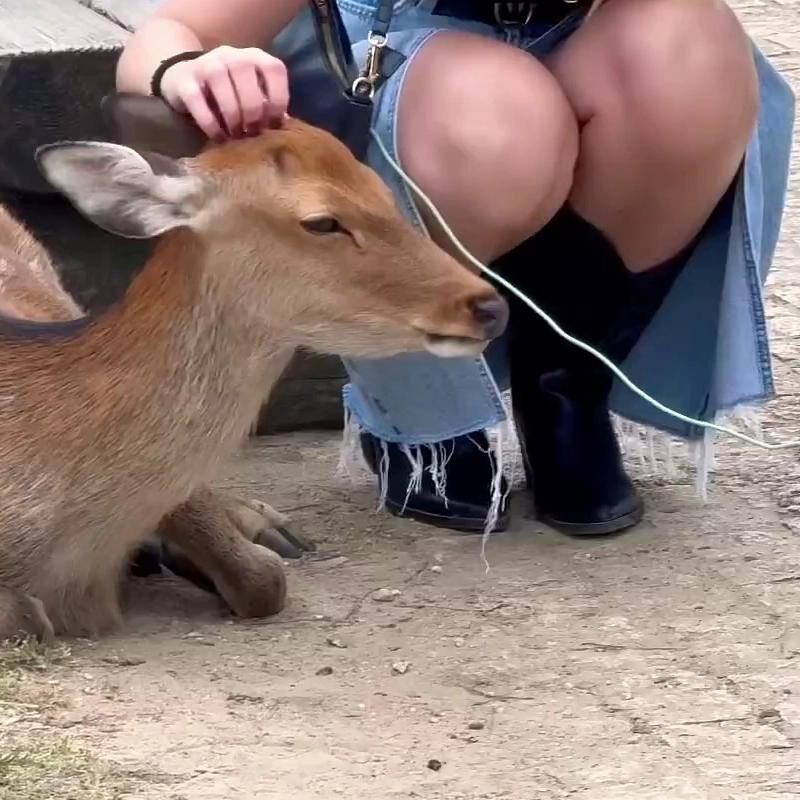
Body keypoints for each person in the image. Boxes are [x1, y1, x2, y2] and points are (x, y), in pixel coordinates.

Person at [117, 0, 795, 537]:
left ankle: (565, 391)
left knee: (687, 50)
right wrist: (187, 68)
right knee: (496, 115)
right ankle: (429, 414)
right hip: (409, 78)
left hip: (588, 56)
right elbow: (173, 32)